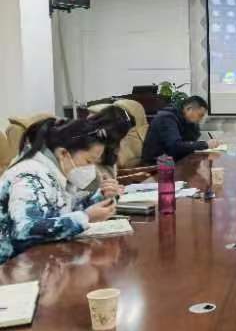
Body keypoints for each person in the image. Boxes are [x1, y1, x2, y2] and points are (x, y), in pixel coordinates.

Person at [0, 118, 120, 264]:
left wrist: (100, 197)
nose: (92, 169)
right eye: (88, 161)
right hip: (11, 266)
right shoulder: (31, 175)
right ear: (63, 153)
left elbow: (60, 212)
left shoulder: (52, 173)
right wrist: (85, 217)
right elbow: (24, 230)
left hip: (38, 259)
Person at [141, 96, 219, 164]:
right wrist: (205, 144)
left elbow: (191, 140)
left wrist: (194, 126)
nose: (200, 119)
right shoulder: (167, 118)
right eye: (200, 115)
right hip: (157, 164)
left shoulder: (184, 119)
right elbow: (175, 146)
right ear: (189, 109)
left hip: (172, 160)